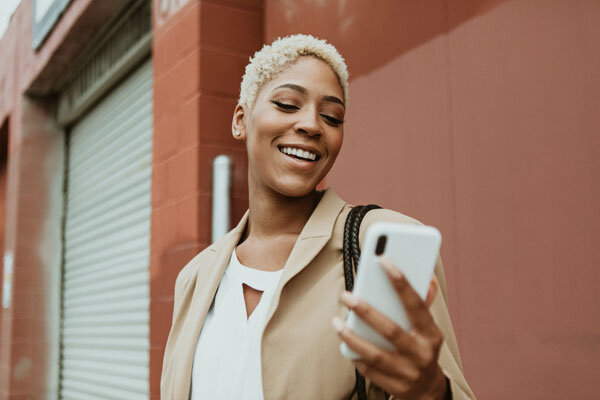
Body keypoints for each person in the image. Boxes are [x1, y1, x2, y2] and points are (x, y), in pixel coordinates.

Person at [161, 34, 475, 400]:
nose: (312, 125)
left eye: (332, 116)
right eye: (287, 104)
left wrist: (432, 391)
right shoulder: (196, 278)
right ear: (241, 120)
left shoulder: (378, 246)